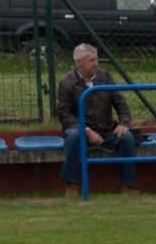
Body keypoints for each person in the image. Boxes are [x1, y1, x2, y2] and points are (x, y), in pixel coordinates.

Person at [56, 43, 138, 197]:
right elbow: (64, 114)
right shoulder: (66, 82)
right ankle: (71, 185)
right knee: (72, 136)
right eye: (91, 60)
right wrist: (86, 131)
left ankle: (127, 186)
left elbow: (121, 103)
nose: (95, 63)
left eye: (96, 59)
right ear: (78, 62)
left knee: (127, 137)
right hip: (81, 131)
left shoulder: (105, 77)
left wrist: (124, 124)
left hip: (107, 129)